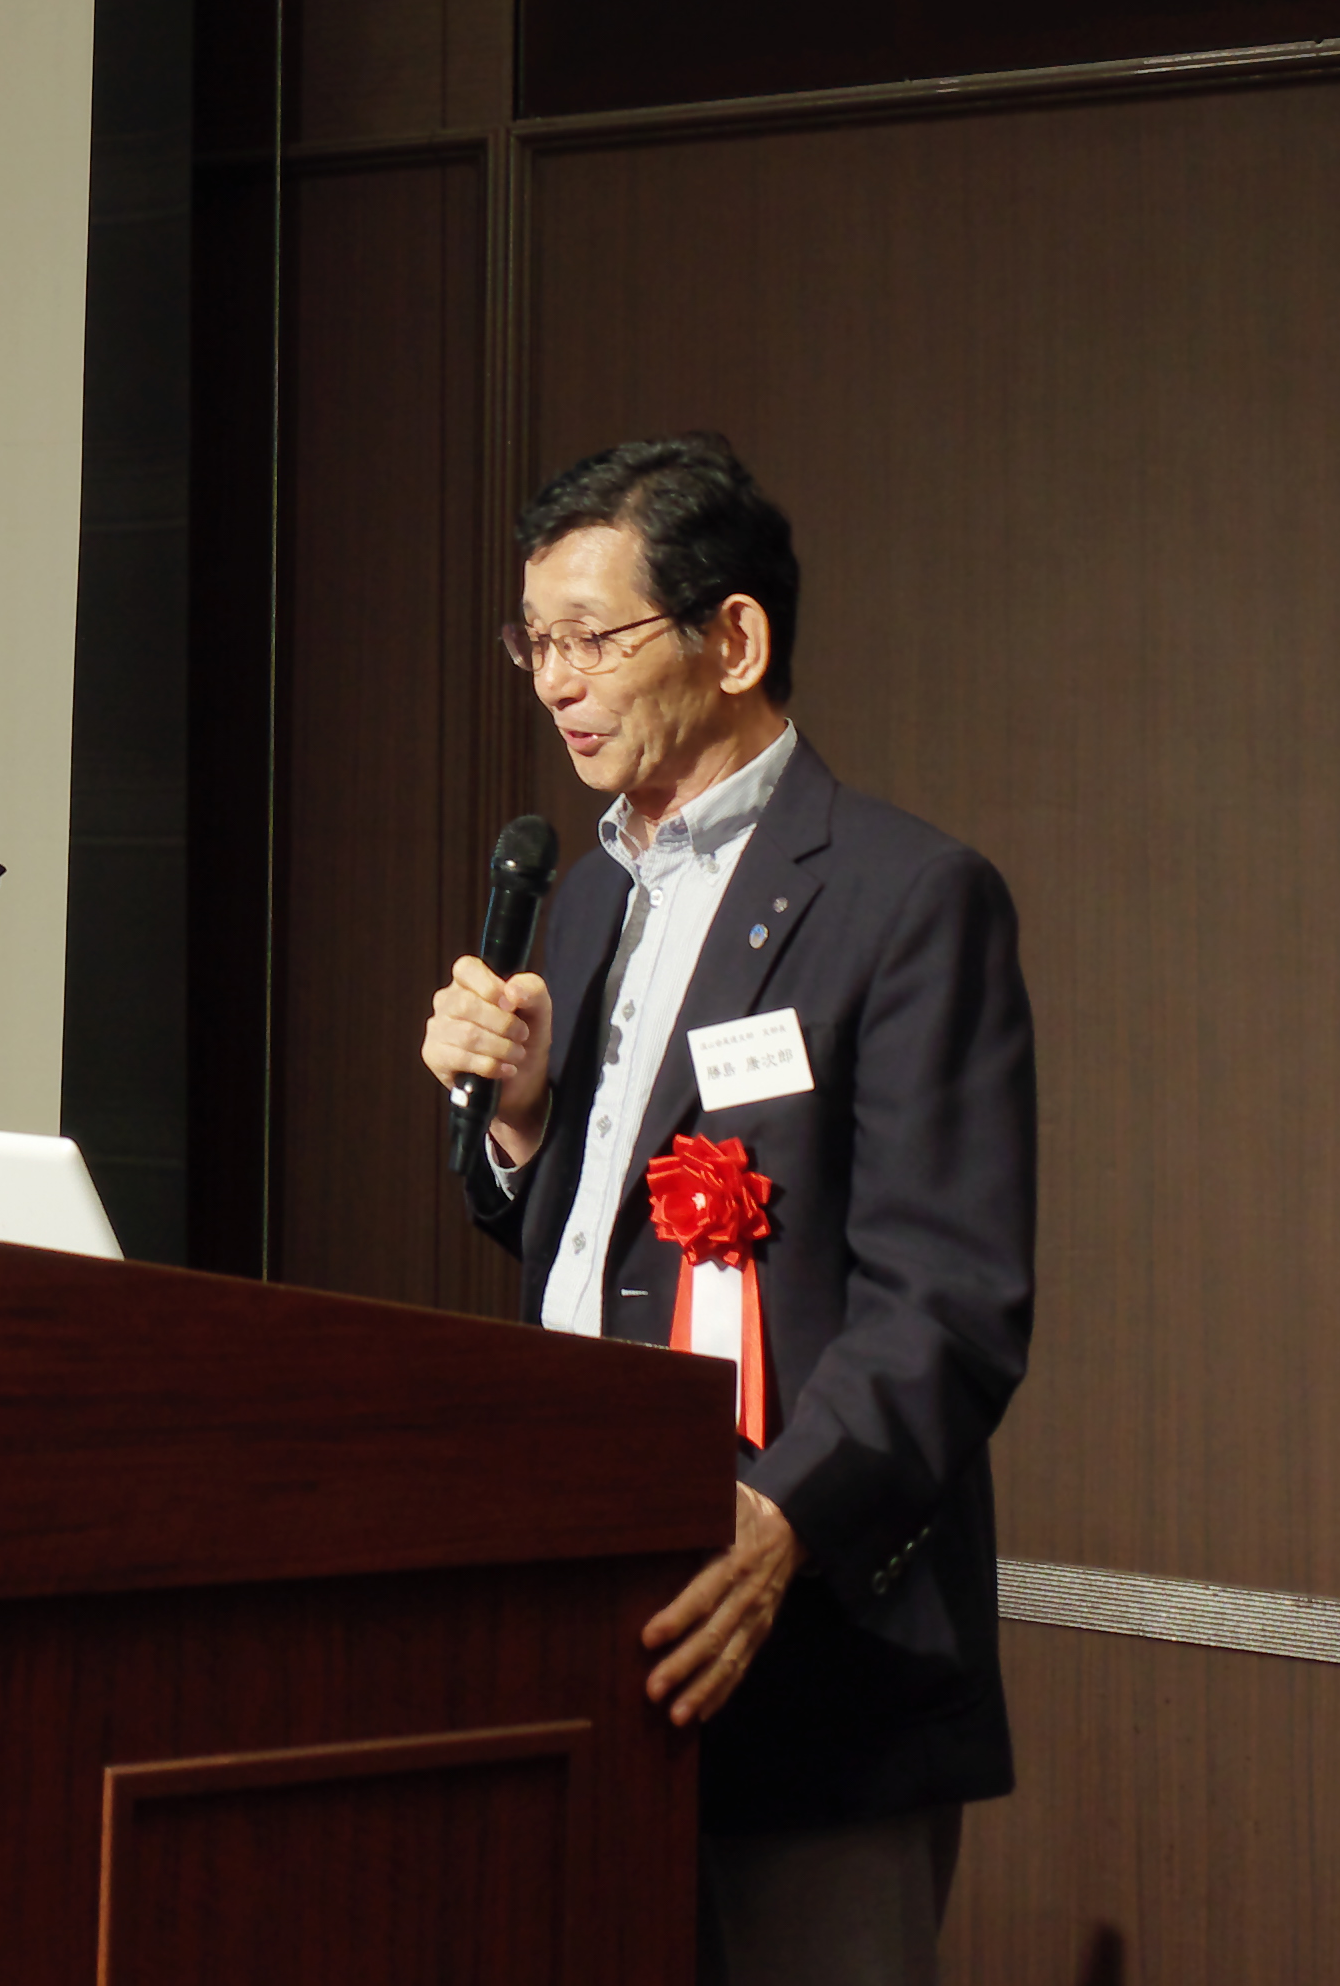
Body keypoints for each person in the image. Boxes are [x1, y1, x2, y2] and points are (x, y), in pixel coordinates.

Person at [417, 435, 1036, 1986]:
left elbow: (949, 1302)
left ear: (734, 638)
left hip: (813, 1639)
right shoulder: (587, 897)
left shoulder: (906, 898)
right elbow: (602, 1250)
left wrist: (779, 1524)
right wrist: (522, 1126)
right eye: (534, 644)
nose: (556, 684)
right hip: (596, 1608)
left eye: (591, 637)